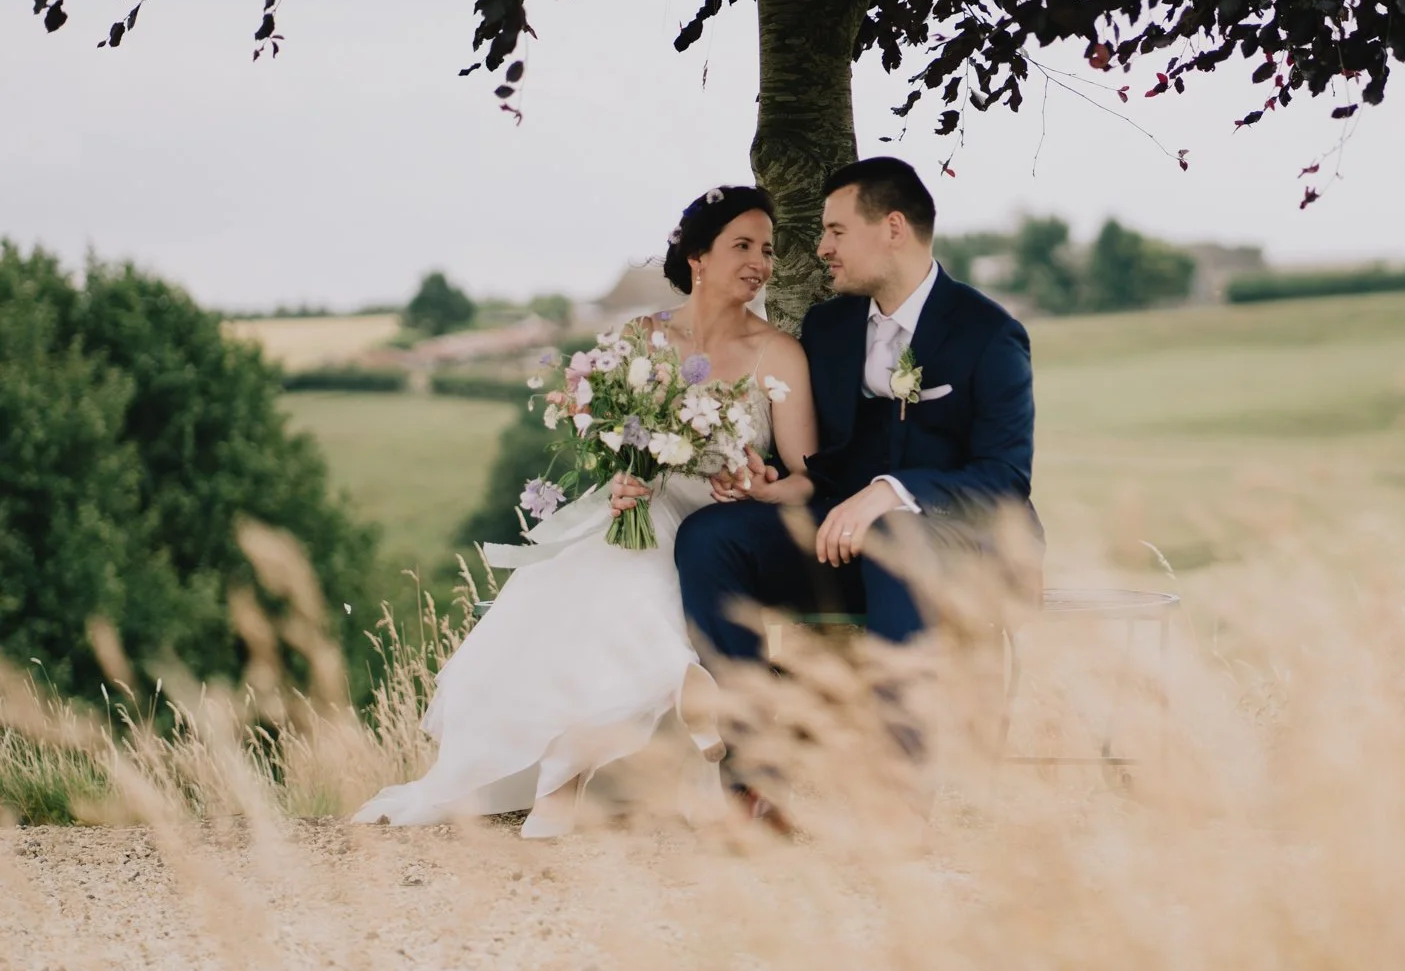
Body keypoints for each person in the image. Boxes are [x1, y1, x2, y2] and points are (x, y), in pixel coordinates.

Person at [351, 187, 817, 839]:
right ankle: (568, 780)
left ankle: (645, 730)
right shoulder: (640, 338)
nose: (759, 262)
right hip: (638, 510)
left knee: (651, 583)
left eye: (766, 249)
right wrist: (622, 476)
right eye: (741, 245)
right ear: (697, 257)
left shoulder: (780, 354)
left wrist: (761, 490)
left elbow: (804, 479)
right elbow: (616, 442)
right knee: (585, 579)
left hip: (723, 527)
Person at [660, 157, 1038, 794]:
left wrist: (892, 493)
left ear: (892, 228)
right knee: (709, 535)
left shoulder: (989, 334)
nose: (821, 248)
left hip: (956, 548)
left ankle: (896, 788)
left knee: (894, 535)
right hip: (836, 540)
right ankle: (756, 766)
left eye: (835, 231)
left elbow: (1004, 478)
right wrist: (769, 482)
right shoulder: (829, 327)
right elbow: (824, 455)